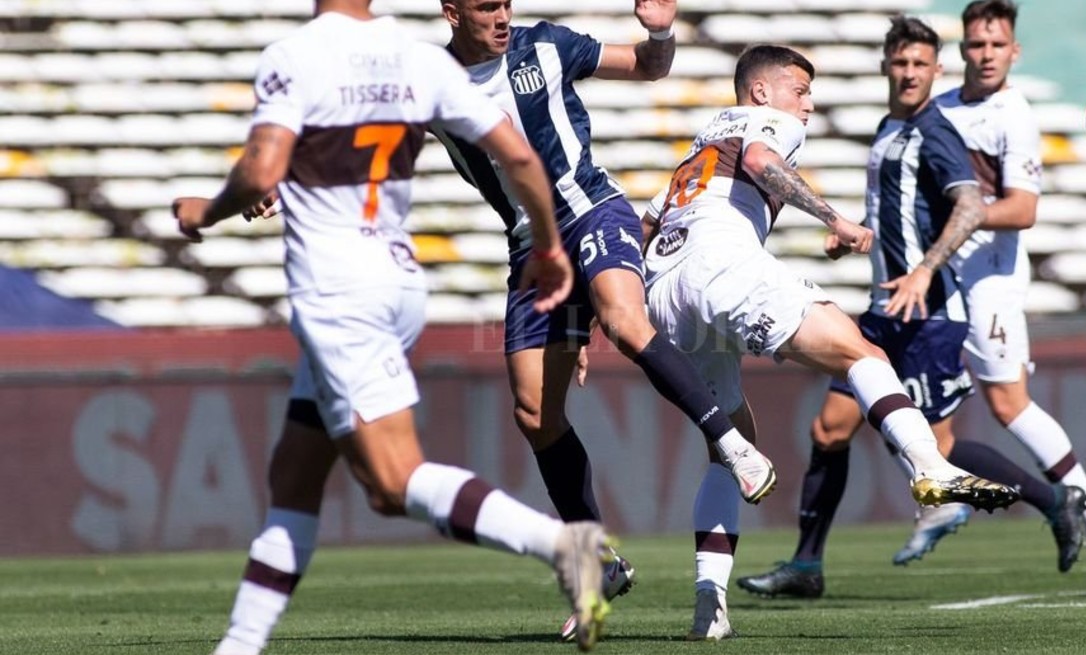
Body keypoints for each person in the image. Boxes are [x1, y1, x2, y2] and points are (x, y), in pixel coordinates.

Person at [172, 2, 610, 652]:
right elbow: (519, 157)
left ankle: (563, 542)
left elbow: (263, 169)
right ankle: (239, 643)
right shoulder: (418, 58)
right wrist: (548, 248)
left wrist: (205, 210)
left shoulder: (296, 54)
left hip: (338, 287)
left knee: (392, 480)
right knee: (294, 474)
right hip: (396, 278)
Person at [640, 43, 1020, 641]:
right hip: (721, 264)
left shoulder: (701, 143)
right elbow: (765, 158)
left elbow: (647, 225)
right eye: (800, 90)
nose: (808, 105)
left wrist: (598, 323)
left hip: (662, 287)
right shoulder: (769, 122)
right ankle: (930, 466)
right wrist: (833, 219)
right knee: (862, 353)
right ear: (762, 91)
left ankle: (709, 601)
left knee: (729, 444)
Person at [431, 0, 777, 638]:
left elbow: (649, 67)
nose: (502, 15)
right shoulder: (427, 78)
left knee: (622, 317)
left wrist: (661, 30)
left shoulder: (547, 45)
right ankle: (599, 562)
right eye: (486, 7)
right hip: (531, 247)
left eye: (506, 2)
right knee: (535, 413)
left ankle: (733, 447)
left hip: (593, 209)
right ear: (451, 11)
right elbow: (358, 142)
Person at [735, 14, 1086, 601]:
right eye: (899, 62)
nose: (908, 73)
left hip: (929, 311)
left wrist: (924, 270)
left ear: (936, 70)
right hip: (885, 309)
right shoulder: (887, 126)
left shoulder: (937, 129)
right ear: (884, 66)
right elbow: (905, 208)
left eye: (919, 64)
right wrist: (854, 232)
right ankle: (806, 565)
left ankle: (1056, 500)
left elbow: (972, 205)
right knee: (829, 430)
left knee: (941, 449)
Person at [922, 0, 1086, 593]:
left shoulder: (1013, 113)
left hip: (988, 275)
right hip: (939, 275)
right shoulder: (940, 110)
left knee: (1009, 404)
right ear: (962, 50)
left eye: (996, 45)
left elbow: (1023, 208)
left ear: (1015, 51)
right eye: (976, 45)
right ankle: (961, 502)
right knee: (931, 423)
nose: (985, 55)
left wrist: (961, 219)